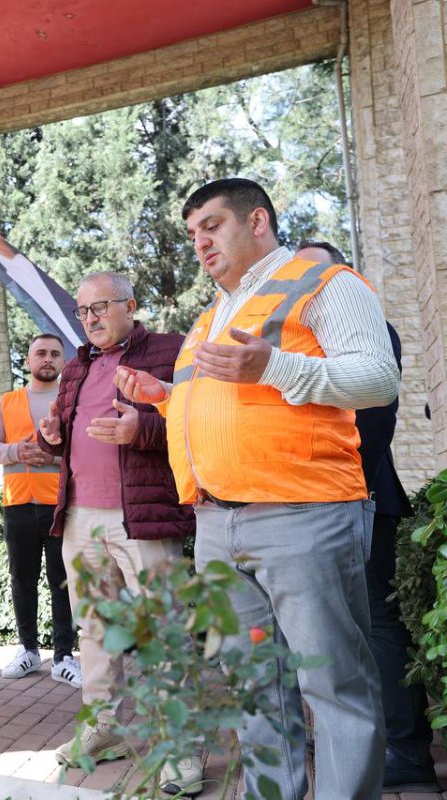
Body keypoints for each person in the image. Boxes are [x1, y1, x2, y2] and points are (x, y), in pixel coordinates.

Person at [116, 179, 399, 799]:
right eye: (192, 234)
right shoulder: (212, 314)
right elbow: (224, 408)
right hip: (218, 526)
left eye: (212, 226)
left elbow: (378, 378)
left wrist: (275, 365)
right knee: (256, 691)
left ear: (259, 220)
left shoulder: (324, 283)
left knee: (333, 687)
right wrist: (163, 401)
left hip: (304, 514)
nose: (200, 243)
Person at [36, 271, 202, 794]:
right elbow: (65, 440)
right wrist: (52, 436)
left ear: (130, 305)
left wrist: (144, 428)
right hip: (81, 516)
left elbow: (197, 418)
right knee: (93, 629)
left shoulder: (171, 350)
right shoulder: (75, 367)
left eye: (100, 307)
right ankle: (104, 729)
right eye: (83, 312)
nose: (90, 318)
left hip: (143, 518)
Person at [294, 241, 439, 794]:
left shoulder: (362, 328)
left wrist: (337, 490)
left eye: (313, 270)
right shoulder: (307, 334)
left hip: (360, 500)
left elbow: (371, 429)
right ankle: (356, 742)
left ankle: (407, 752)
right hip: (318, 503)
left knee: (377, 629)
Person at [0, 333, 81, 686]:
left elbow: (83, 452)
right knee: (22, 580)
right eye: (41, 353)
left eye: (55, 354)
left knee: (62, 582)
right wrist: (17, 453)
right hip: (18, 503)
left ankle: (65, 656)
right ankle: (27, 650)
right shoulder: (7, 401)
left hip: (59, 503)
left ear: (62, 362)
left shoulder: (71, 402)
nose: (48, 359)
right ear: (28, 360)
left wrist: (53, 457)